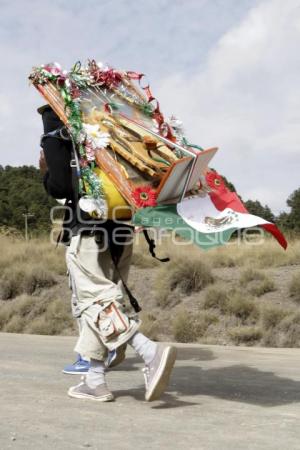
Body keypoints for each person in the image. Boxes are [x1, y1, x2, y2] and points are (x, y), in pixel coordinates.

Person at [38, 105, 177, 402]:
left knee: (95, 300)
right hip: (122, 228)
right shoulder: (110, 128)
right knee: (103, 302)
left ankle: (150, 352)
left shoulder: (56, 130)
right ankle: (94, 379)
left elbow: (60, 185)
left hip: (87, 229)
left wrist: (45, 172)